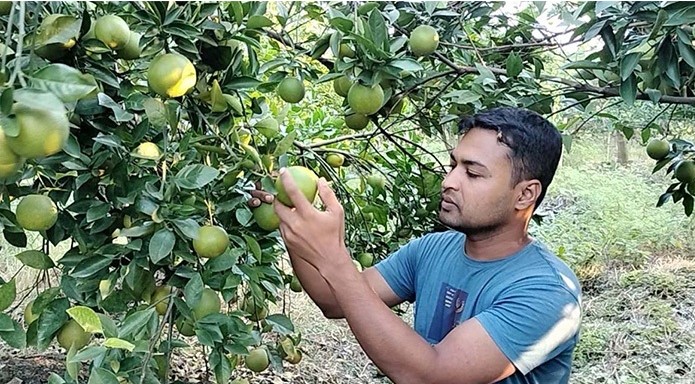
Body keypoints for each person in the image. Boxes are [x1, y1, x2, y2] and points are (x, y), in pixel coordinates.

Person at [247, 107, 582, 384]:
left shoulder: (548, 292)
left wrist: (335, 259)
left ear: (525, 194)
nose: (449, 181)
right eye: (453, 165)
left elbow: (432, 375)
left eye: (473, 174)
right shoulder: (432, 250)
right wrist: (292, 216)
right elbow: (333, 298)